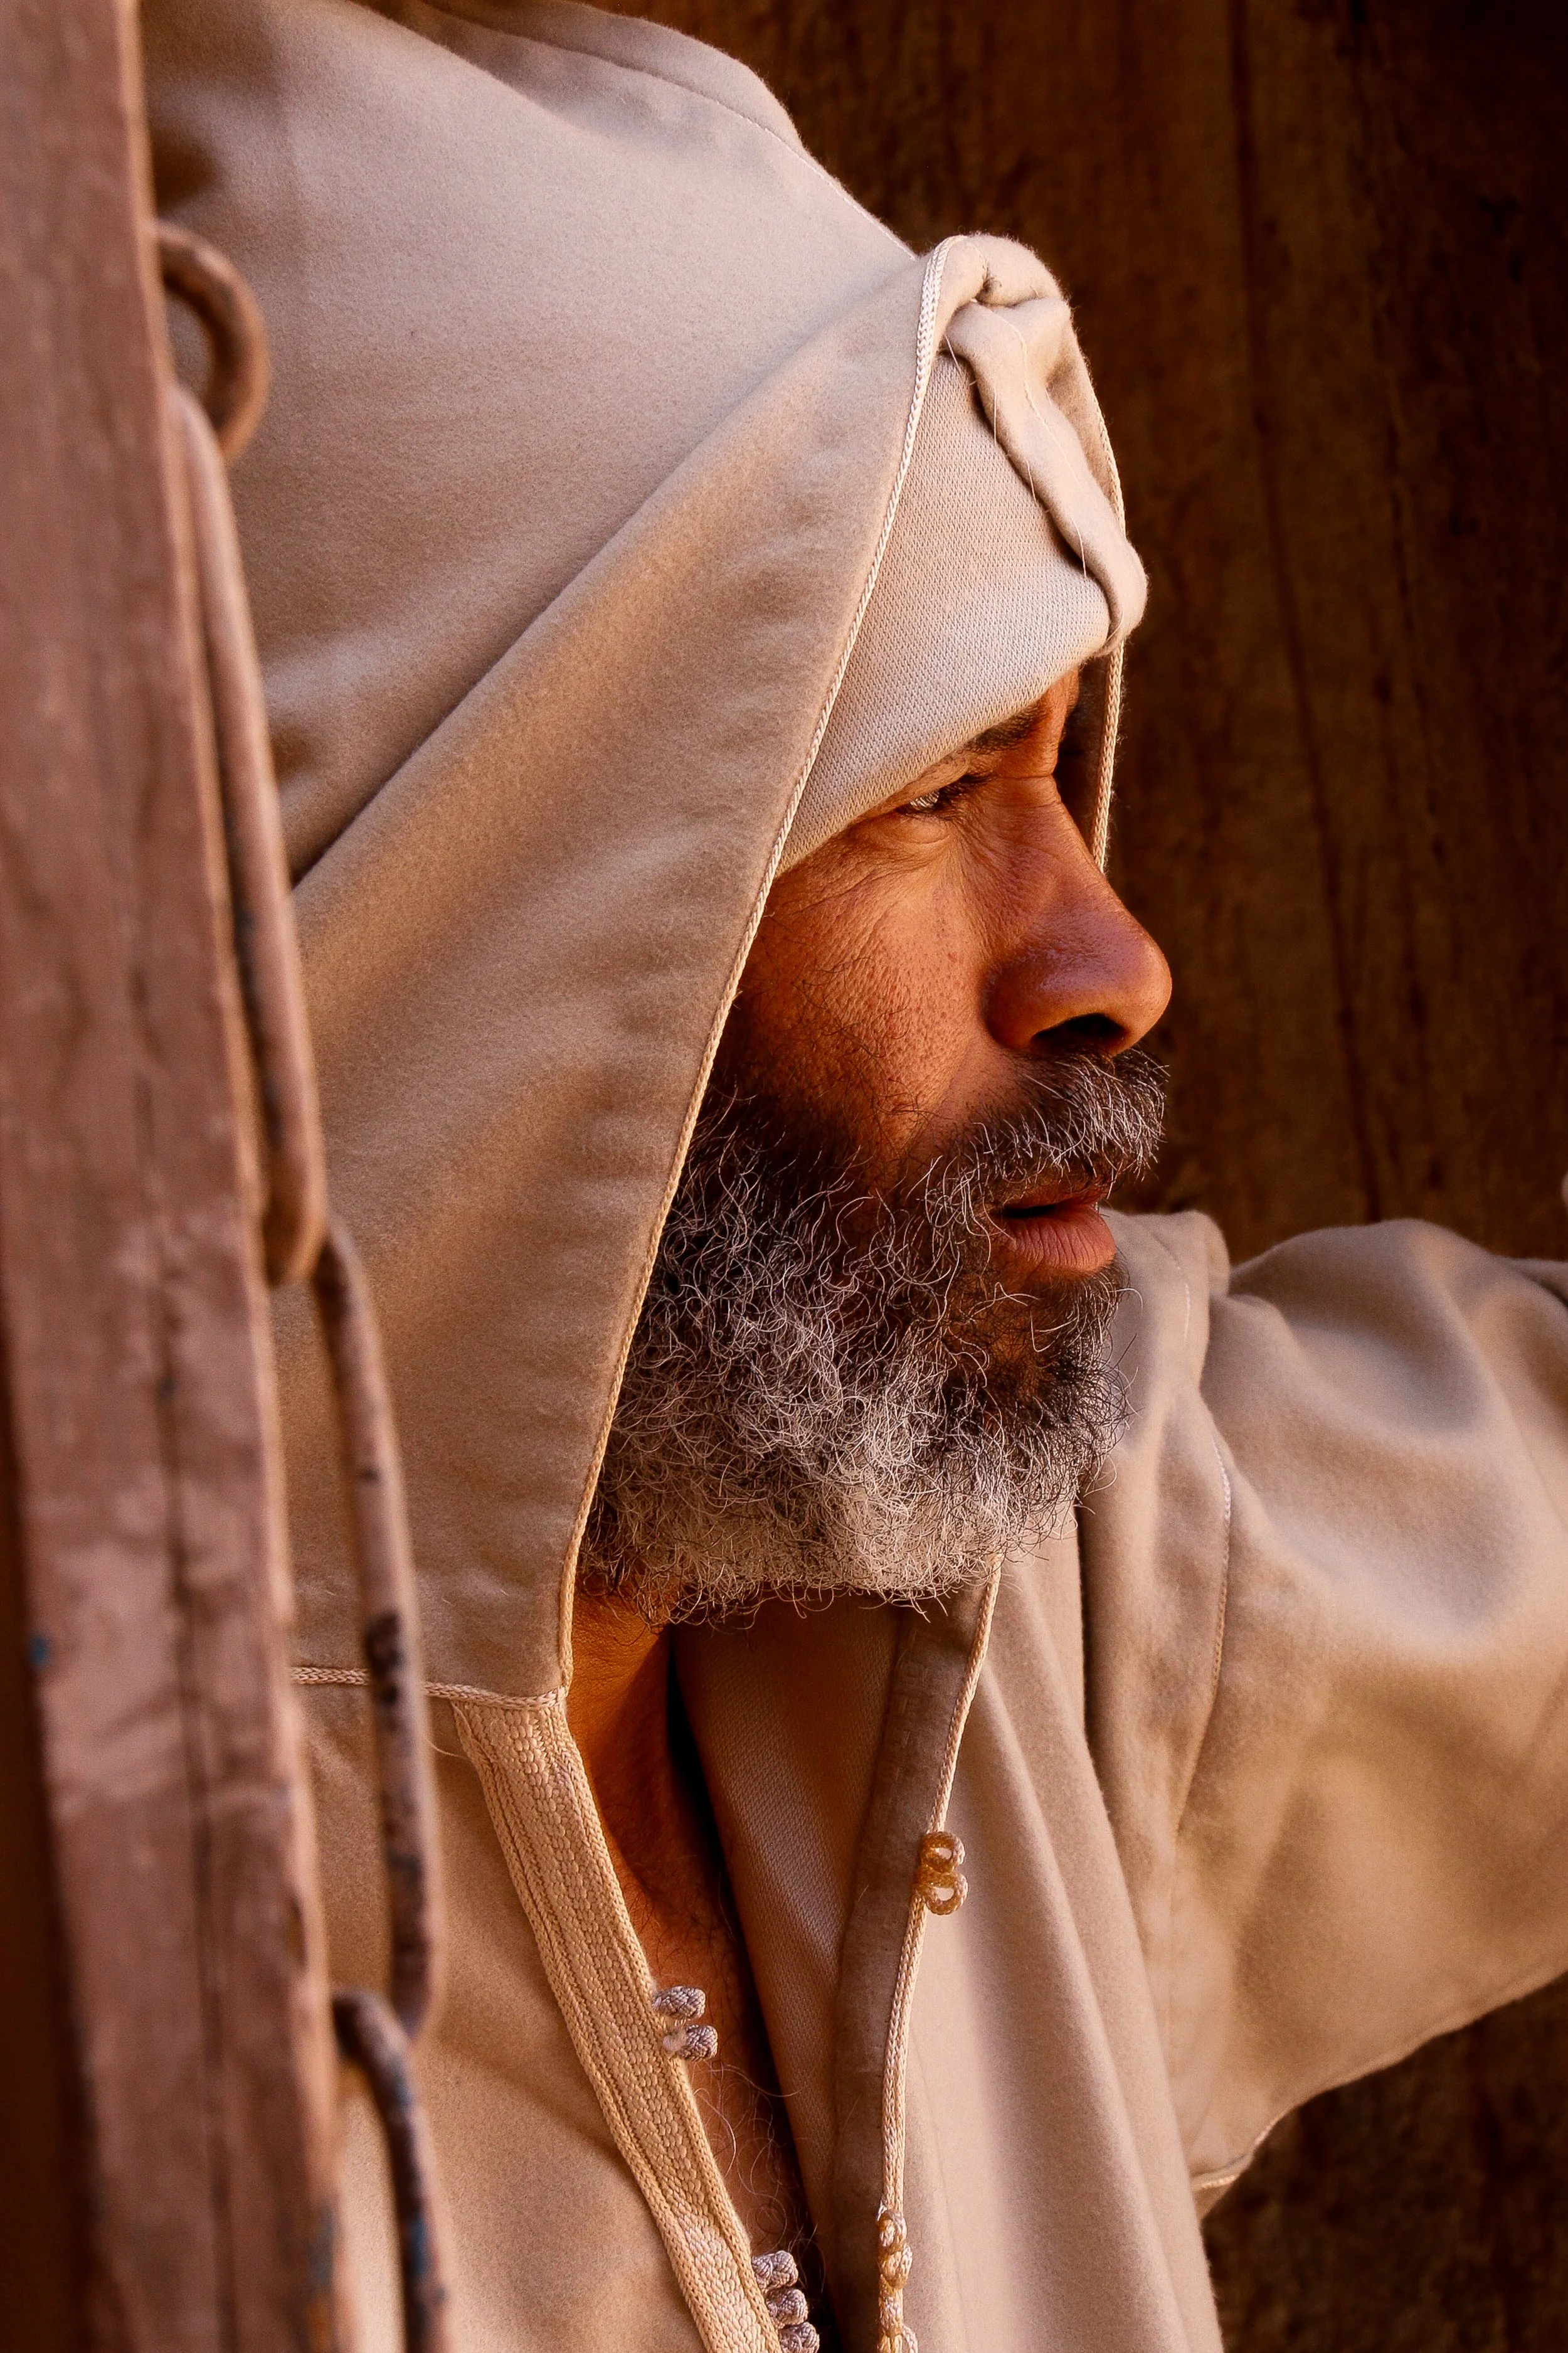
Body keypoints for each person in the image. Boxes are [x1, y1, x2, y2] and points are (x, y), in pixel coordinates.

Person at [147, 3, 1568, 2349]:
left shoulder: (1011, 1604)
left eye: (1054, 772)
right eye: (931, 792)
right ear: (526, 924)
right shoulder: (96, 1988)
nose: (1110, 955)